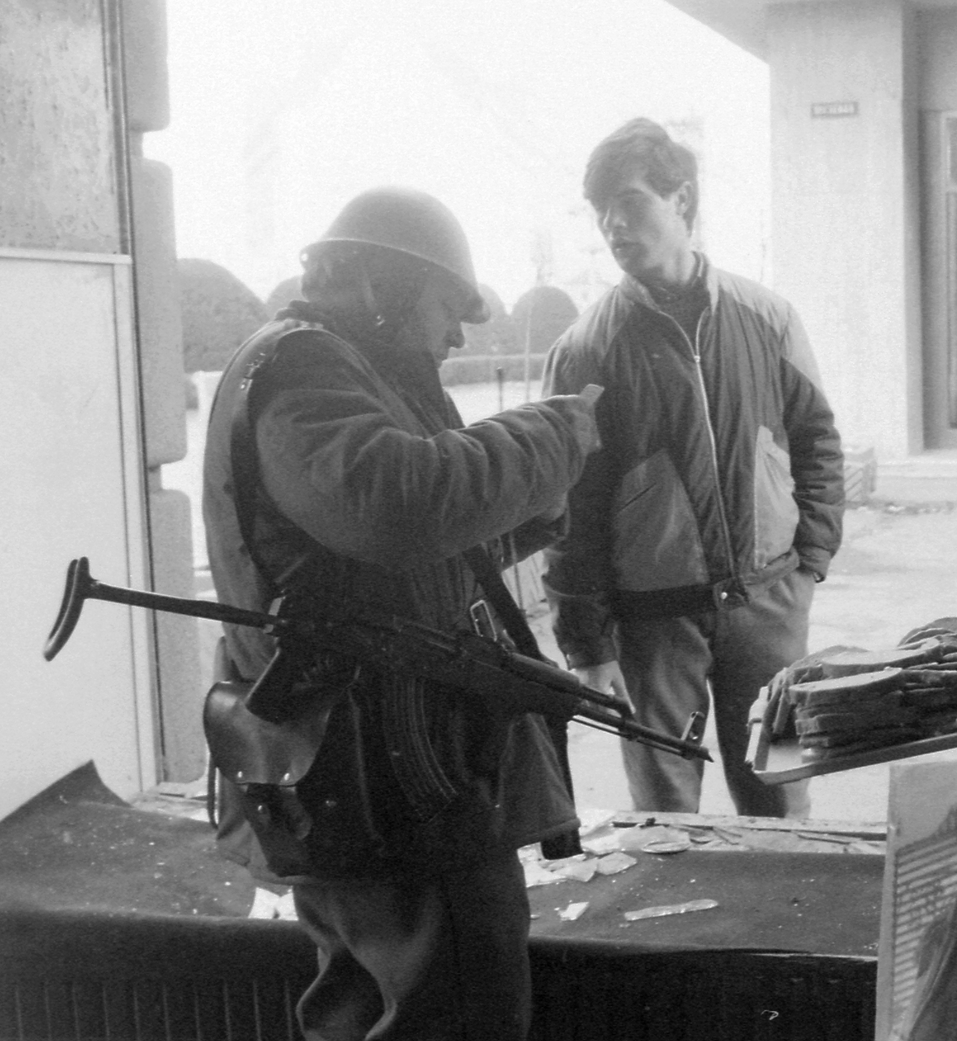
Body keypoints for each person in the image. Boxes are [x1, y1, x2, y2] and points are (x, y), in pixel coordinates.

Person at [202, 185, 601, 1040]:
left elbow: (389, 571)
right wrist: (551, 437)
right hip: (390, 789)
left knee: (363, 1014)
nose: (457, 334)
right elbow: (395, 505)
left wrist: (532, 510)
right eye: (447, 307)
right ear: (385, 284)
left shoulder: (344, 366)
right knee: (460, 1011)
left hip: (356, 781)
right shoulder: (306, 367)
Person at [542, 118, 845, 818]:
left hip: (770, 603)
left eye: (631, 202)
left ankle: (779, 932)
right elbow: (568, 509)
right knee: (664, 820)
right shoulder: (585, 349)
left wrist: (810, 563)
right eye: (601, 210)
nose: (613, 224)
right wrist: (587, 643)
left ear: (683, 202)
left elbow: (817, 438)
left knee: (782, 803)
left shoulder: (766, 316)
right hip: (651, 628)